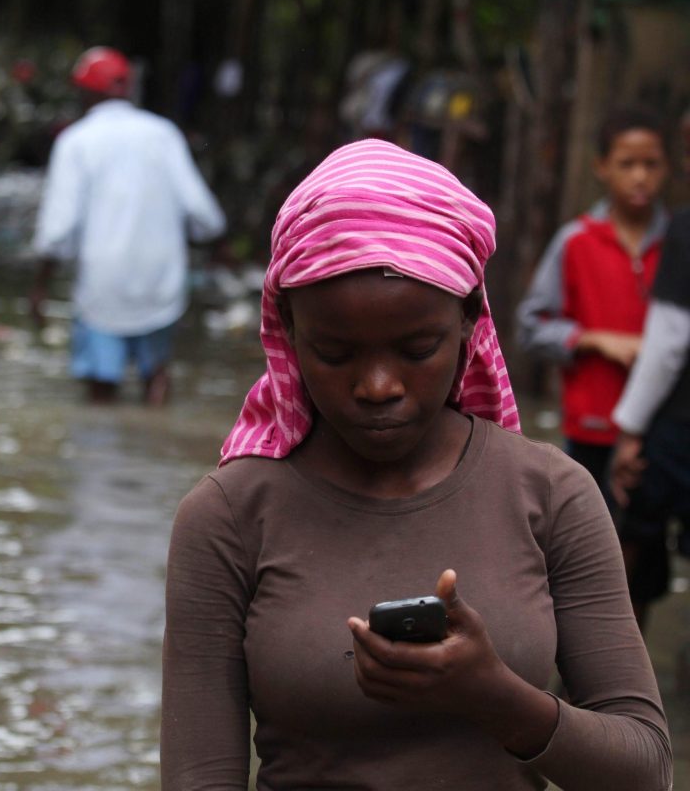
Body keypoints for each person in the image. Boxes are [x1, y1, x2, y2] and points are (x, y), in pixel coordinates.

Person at [162, 140, 670, 789]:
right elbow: (199, 776)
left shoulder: (552, 495)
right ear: (287, 330)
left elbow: (647, 768)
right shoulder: (227, 516)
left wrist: (496, 697)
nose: (378, 386)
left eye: (416, 348)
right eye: (337, 353)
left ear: (468, 320)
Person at [30, 46, 226, 405]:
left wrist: (40, 285)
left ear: (85, 91)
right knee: (157, 374)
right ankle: (157, 444)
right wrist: (212, 249)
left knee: (101, 386)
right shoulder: (163, 134)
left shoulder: (76, 141)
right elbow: (204, 215)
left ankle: (103, 455)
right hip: (161, 280)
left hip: (103, 283)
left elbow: (58, 228)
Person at [516, 106, 669, 496]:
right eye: (627, 163)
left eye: (651, 164)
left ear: (667, 168)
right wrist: (593, 339)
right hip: (592, 423)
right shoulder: (575, 241)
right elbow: (530, 325)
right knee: (586, 531)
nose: (640, 176)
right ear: (602, 166)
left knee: (646, 541)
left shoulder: (678, 244)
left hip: (664, 421)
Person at [610, 111, 690, 630]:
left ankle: (615, 663)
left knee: (632, 531)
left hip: (679, 429)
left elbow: (668, 342)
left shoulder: (684, 227)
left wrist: (630, 430)